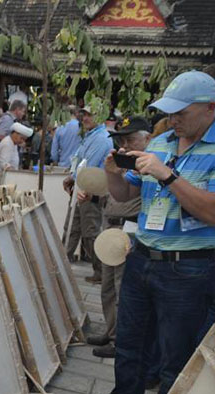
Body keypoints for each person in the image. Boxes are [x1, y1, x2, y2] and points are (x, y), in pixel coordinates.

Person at [71, 71, 215, 394]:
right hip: (143, 257)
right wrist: (112, 173)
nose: (173, 120)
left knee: (176, 357)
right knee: (130, 344)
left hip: (191, 269)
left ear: (210, 107)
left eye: (180, 113)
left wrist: (168, 176)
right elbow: (125, 195)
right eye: (169, 113)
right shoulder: (161, 142)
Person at [85, 117, 151, 359]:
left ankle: (120, 339)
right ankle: (111, 332)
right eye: (123, 140)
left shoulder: (146, 166)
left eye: (131, 139)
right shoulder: (122, 164)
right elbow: (110, 197)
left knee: (122, 288)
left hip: (129, 229)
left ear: (147, 139)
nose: (124, 145)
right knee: (108, 287)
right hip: (110, 226)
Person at [62, 104, 113, 283]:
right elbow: (79, 161)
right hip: (81, 186)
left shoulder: (101, 138)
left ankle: (101, 272)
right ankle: (61, 265)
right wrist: (71, 176)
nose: (85, 118)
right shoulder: (90, 135)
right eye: (84, 114)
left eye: (89, 115)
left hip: (91, 189)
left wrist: (73, 177)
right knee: (72, 229)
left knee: (90, 232)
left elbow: (88, 165)